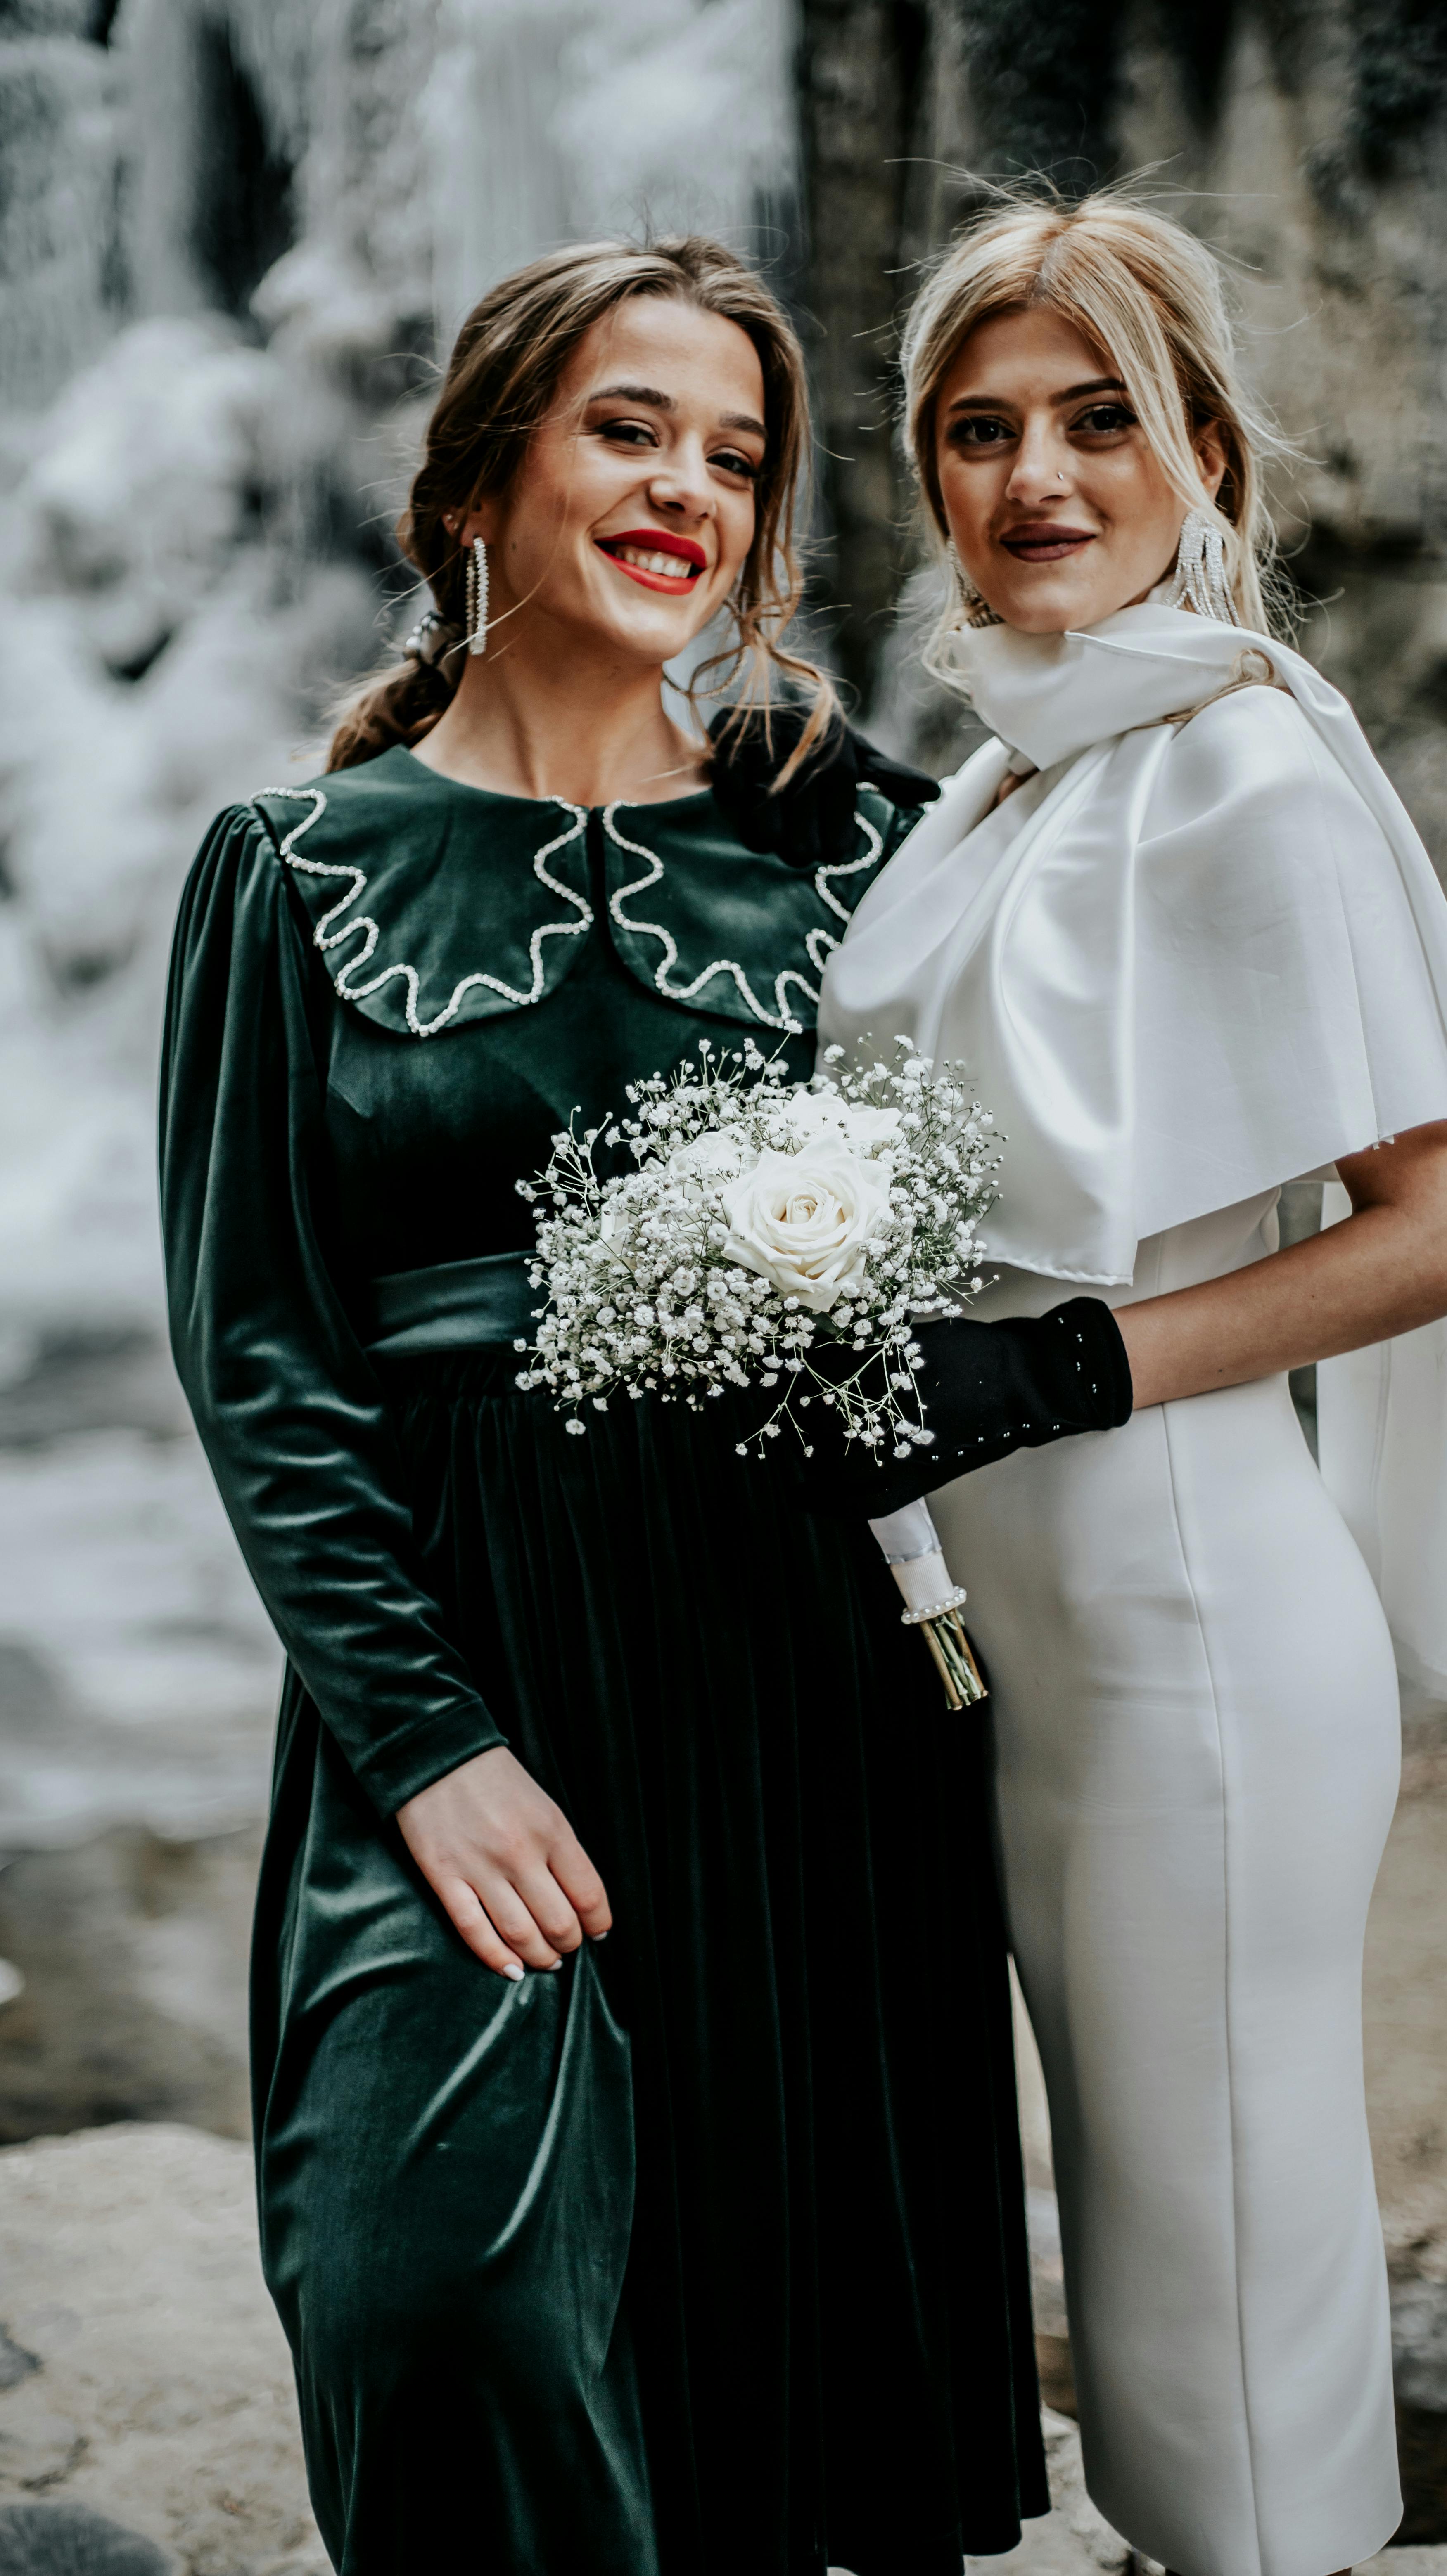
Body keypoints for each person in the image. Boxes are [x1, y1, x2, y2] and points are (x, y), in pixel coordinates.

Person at [159, 234, 1131, 2576]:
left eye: (737, 453)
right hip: (467, 1664)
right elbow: (263, 1360)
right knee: (434, 2293)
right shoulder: (289, 876)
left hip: (804, 1675)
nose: (689, 485)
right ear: (477, 476)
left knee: (784, 2357)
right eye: (629, 428)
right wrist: (425, 1744)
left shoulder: (865, 842)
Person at [820, 191, 1447, 2576]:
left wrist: (1063, 1361)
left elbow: (1432, 1218)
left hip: (1192, 1623)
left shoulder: (1246, 767)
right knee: (1150, 2247)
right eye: (981, 431)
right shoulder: (1005, 776)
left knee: (1226, 2271)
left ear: (1206, 456)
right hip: (1029, 1638)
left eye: (1098, 419)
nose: (1037, 477)